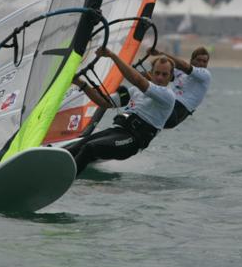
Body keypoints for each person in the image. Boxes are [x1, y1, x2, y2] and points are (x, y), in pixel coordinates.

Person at [68, 47, 176, 175]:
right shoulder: (136, 91)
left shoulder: (168, 96)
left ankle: (65, 179)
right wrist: (82, 84)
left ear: (171, 77)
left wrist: (112, 55)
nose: (160, 77)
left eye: (164, 74)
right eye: (157, 73)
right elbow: (104, 102)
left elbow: (138, 80)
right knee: (72, 150)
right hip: (115, 132)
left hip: (132, 141)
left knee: (90, 148)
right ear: (150, 73)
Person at [149, 46, 212, 129]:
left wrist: (161, 54)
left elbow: (183, 65)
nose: (201, 64)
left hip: (178, 111)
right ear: (191, 60)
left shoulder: (205, 75)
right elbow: (160, 75)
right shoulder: (180, 72)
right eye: (198, 60)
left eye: (204, 61)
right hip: (169, 102)